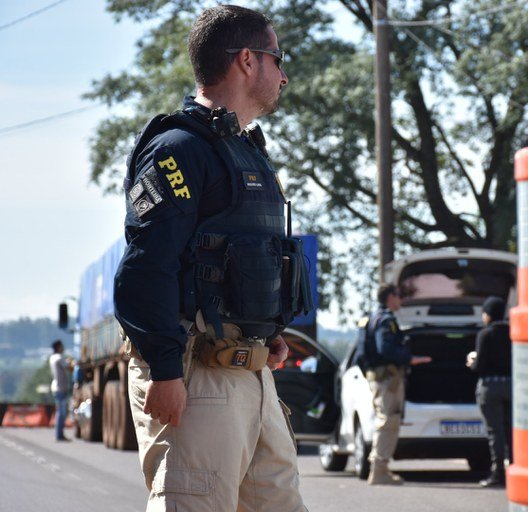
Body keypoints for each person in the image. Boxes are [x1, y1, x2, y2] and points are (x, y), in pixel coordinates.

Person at [113, 5, 308, 511]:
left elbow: (244, 257)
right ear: (247, 60)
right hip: (197, 377)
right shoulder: (178, 149)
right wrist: (164, 371)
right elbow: (144, 269)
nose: (283, 76)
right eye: (277, 58)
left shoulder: (246, 151)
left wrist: (267, 331)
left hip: (253, 377)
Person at [362, 284, 431, 485]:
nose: (401, 300)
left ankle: (380, 468)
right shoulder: (387, 320)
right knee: (388, 421)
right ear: (390, 297)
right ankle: (379, 470)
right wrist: (409, 359)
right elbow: (385, 348)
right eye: (399, 295)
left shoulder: (371, 317)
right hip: (388, 379)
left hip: (378, 377)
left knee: (386, 420)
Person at [466, 296, 512, 488]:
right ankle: (515, 469)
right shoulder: (512, 333)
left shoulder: (485, 334)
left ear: (488, 314)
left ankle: (498, 472)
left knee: (495, 431)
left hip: (490, 387)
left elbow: (479, 366)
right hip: (511, 386)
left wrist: (471, 362)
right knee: (510, 430)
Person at [49, 339, 72, 441]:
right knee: (61, 413)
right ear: (58, 347)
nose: (63, 347)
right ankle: (59, 435)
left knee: (60, 411)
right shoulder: (59, 357)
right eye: (62, 346)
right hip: (60, 388)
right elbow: (68, 366)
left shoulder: (52, 357)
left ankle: (59, 434)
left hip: (56, 387)